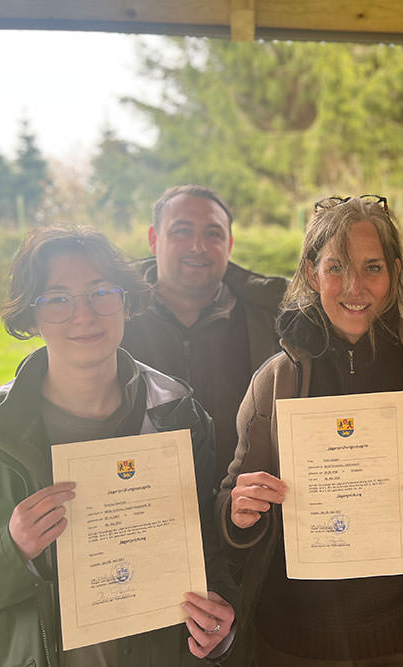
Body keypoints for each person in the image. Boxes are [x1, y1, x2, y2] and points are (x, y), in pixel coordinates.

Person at [0, 224, 239, 666]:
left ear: (125, 302)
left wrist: (219, 624)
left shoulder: (178, 416)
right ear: (31, 316)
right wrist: (12, 548)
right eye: (57, 299)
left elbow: (205, 550)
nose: (84, 315)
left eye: (101, 292)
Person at [216, 195, 403, 666]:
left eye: (372, 268)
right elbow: (231, 499)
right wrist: (239, 513)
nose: (355, 287)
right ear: (312, 273)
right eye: (336, 267)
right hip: (291, 642)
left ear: (395, 272)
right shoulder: (275, 381)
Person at [122, 184, 287, 487]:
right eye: (182, 231)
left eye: (213, 234)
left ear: (229, 245)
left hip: (246, 504)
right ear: (154, 239)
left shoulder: (272, 321)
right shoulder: (115, 319)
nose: (197, 246)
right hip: (144, 502)